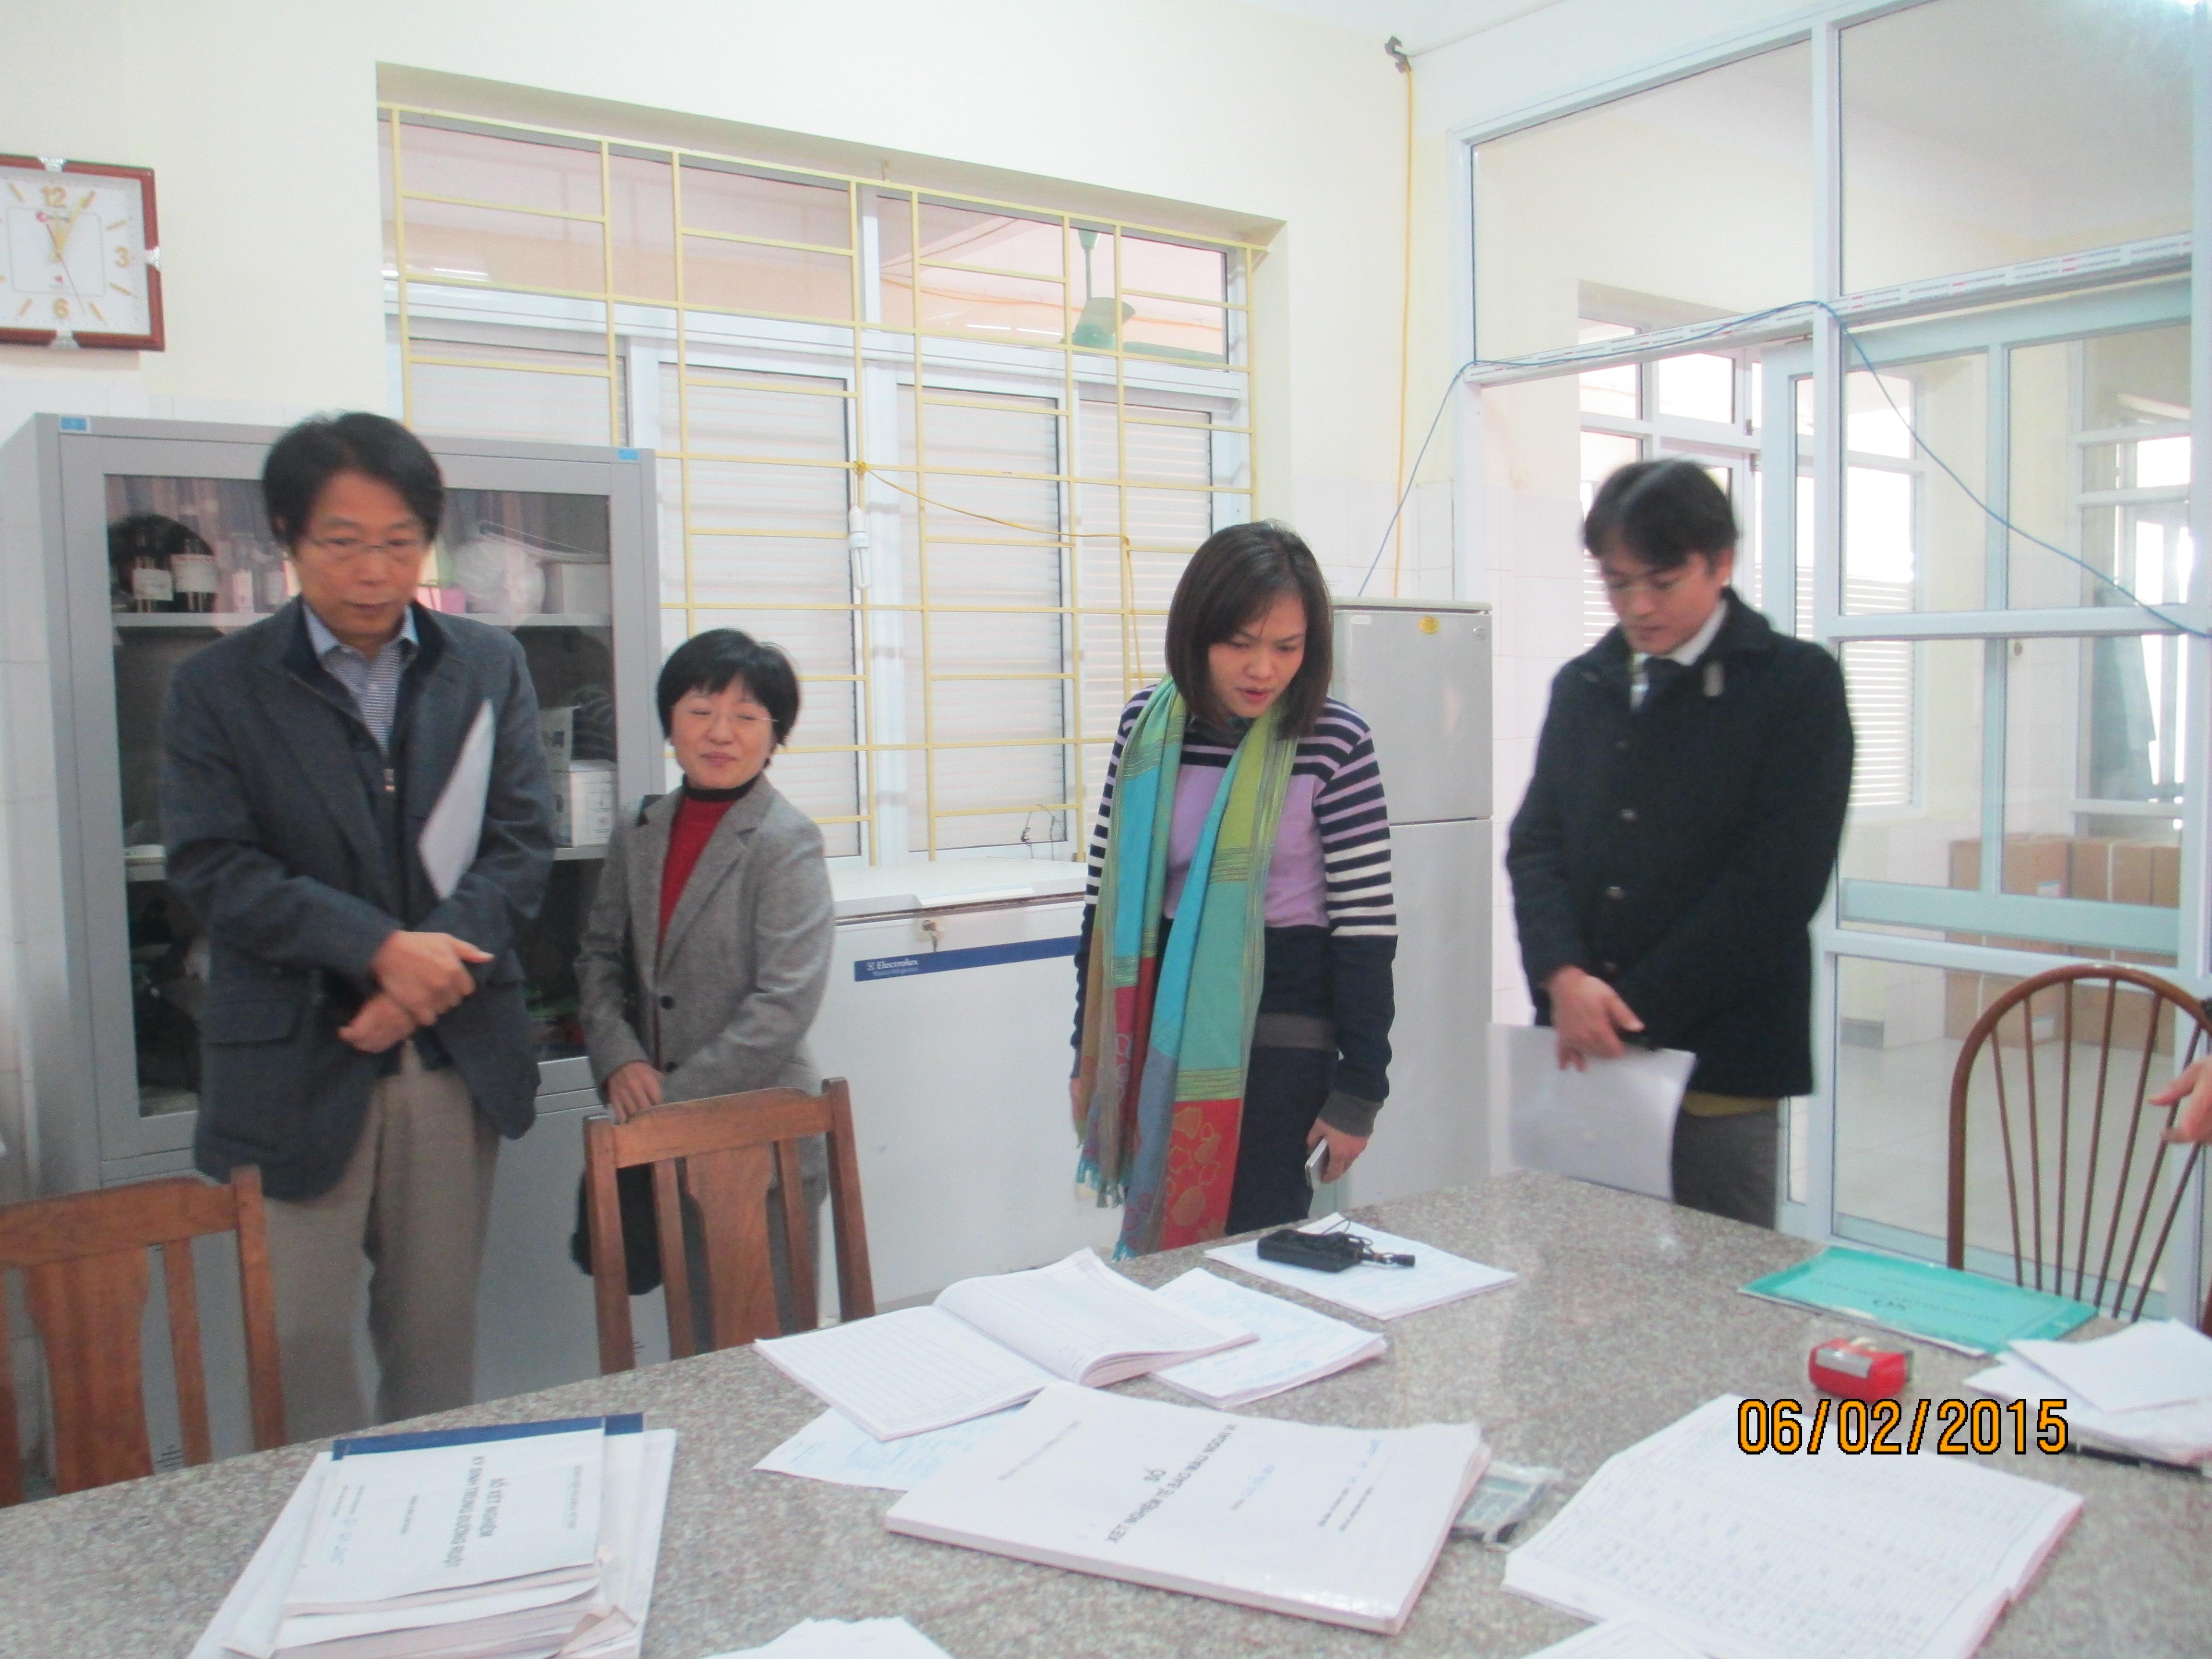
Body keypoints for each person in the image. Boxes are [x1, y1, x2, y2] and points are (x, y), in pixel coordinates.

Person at [161, 412, 555, 1439]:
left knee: (434, 1340)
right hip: (296, 1053)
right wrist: (379, 953)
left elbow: (521, 845)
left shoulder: (488, 665)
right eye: (342, 542)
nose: (374, 571)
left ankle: (427, 1526)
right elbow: (215, 865)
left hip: (448, 1051)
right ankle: (313, 1534)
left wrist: (421, 986)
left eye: (398, 542)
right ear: (287, 538)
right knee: (297, 1344)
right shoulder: (218, 686)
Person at [1506, 458, 1854, 1229]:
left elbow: (1776, 886)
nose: (1638, 607)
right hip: (1584, 1047)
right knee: (1581, 1268)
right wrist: (1562, 975)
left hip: (1718, 1059)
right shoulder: (1584, 685)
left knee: (1718, 1273)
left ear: (1720, 563)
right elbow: (1536, 845)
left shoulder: (1795, 687)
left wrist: (1625, 1013)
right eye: (1617, 583)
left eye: (1662, 583)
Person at [1072, 521, 1395, 1256]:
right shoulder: (1146, 727)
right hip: (1156, 1033)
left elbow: (1367, 929)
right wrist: (1082, 1053)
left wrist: (1360, 1091)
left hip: (1285, 1041)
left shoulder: (1334, 740)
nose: (1263, 669)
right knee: (1170, 1262)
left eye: (1287, 647)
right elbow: (1104, 902)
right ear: (1198, 635)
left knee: (1258, 1252)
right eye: (1241, 643)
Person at [575, 628, 833, 1326]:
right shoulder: (639, 828)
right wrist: (619, 1056)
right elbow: (599, 957)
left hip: (758, 1130)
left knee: (768, 1343)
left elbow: (784, 1005)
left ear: (774, 735)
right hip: (655, 1125)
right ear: (671, 721)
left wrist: (669, 1106)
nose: (720, 733)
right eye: (700, 711)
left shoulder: (786, 840)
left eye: (746, 717)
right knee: (691, 1339)